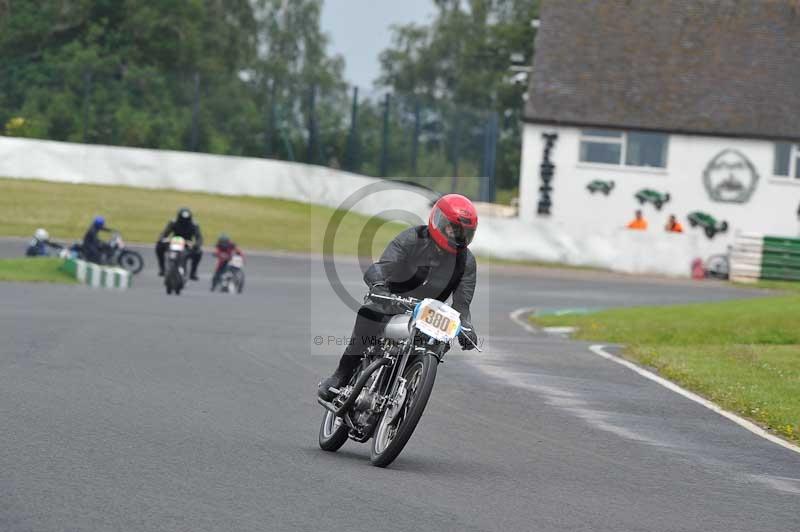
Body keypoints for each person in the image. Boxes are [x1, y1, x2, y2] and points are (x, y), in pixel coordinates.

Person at [318, 193, 480, 401]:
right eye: (454, 229)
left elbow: (462, 305)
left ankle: (411, 388)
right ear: (439, 221)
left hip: (428, 315)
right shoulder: (411, 239)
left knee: (441, 341)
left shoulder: (467, 262)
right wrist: (379, 286)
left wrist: (465, 326)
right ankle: (341, 374)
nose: (458, 236)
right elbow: (381, 268)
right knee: (370, 312)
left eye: (465, 233)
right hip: (392, 301)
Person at [155, 207, 203, 279]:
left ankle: (193, 273)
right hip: (174, 242)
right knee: (159, 247)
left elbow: (199, 237)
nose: (184, 222)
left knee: (199, 252)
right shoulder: (173, 223)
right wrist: (161, 239)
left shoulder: (194, 225)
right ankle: (162, 269)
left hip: (187, 244)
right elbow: (164, 233)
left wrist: (196, 245)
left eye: (186, 220)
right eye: (182, 220)